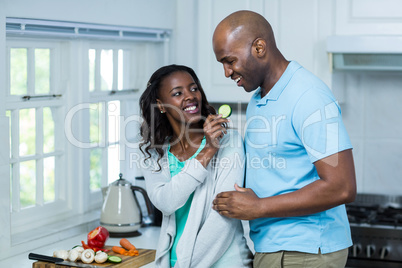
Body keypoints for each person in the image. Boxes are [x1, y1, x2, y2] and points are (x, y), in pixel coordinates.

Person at [211, 10, 357, 268]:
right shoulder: (260, 98)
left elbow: (342, 186)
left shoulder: (308, 96)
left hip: (305, 252)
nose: (226, 72)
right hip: (275, 248)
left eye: (230, 60)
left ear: (259, 47)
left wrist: (259, 207)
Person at [139, 64, 253, 268]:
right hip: (175, 262)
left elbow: (222, 218)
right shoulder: (154, 154)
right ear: (161, 105)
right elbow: (166, 202)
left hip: (225, 262)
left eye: (194, 88)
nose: (190, 96)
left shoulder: (229, 141)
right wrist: (207, 151)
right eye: (177, 93)